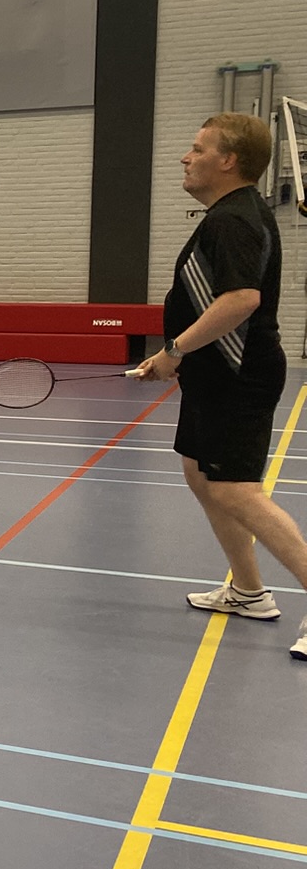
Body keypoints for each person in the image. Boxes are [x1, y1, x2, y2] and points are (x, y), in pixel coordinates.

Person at [133, 112, 307, 660]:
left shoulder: (233, 220)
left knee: (235, 489)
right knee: (202, 476)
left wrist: (174, 350)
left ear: (228, 160)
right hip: (212, 375)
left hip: (238, 375)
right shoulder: (229, 215)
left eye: (198, 148)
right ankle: (249, 591)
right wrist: (176, 357)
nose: (186, 157)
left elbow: (241, 300)